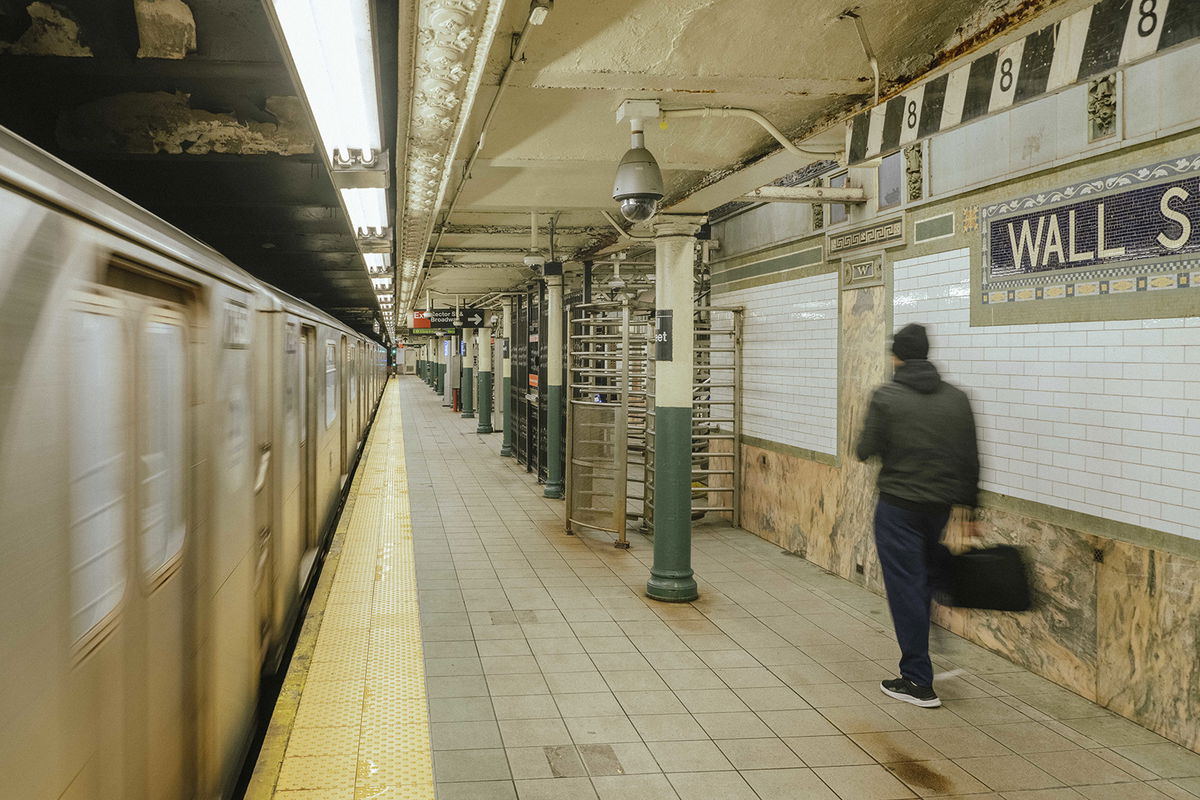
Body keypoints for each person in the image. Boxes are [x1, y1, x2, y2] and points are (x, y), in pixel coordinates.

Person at [856, 322, 979, 708]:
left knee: (906, 588)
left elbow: (864, 450)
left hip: (898, 508)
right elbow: (971, 459)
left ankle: (917, 681)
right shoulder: (958, 398)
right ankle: (934, 598)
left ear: (897, 356)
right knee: (923, 577)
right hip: (940, 508)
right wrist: (971, 510)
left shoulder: (887, 397)